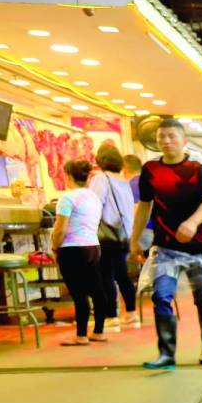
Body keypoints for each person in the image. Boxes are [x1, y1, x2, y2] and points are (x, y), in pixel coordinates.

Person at [129, 118, 202, 369]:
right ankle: (166, 354)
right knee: (161, 296)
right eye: (161, 137)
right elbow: (144, 206)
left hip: (199, 248)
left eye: (171, 136)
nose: (166, 141)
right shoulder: (150, 170)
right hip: (165, 248)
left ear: (183, 140)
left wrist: (192, 223)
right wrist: (135, 239)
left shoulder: (198, 169)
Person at [51, 160, 108, 346]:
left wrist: (54, 247)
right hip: (93, 246)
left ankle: (81, 335)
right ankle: (98, 331)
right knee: (97, 290)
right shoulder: (94, 198)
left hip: (72, 249)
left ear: (68, 176)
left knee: (79, 293)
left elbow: (60, 230)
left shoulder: (67, 198)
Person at [90, 145, 137, 328]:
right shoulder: (123, 181)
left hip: (105, 235)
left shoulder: (101, 179)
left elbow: (94, 204)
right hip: (123, 234)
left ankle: (111, 315)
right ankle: (131, 313)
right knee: (122, 274)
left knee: (106, 276)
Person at [123, 154, 155, 254]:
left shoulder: (131, 186)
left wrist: (134, 237)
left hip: (143, 232)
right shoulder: (148, 181)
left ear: (124, 169)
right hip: (155, 231)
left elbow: (137, 210)